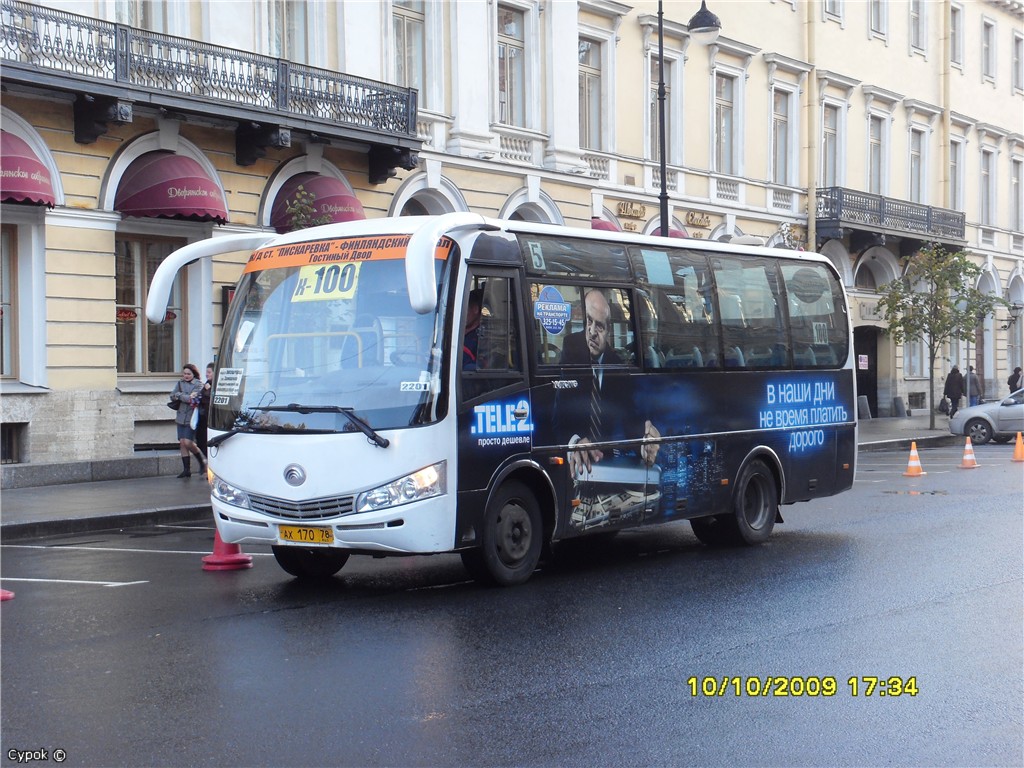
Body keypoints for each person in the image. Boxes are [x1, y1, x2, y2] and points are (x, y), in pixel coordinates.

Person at [559, 289, 659, 478]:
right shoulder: (571, 350)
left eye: (600, 326)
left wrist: (643, 443)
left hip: (607, 466)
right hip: (576, 468)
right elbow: (555, 414)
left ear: (609, 331)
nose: (592, 332)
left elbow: (630, 420)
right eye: (589, 321)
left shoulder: (620, 367)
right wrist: (575, 442)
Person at [170, 363, 206, 478]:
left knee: (188, 442)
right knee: (182, 443)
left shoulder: (199, 384)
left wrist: (180, 395)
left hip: (192, 417)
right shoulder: (180, 383)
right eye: (184, 373)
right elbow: (172, 395)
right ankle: (186, 470)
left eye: (188, 374)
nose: (186, 376)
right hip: (181, 416)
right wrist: (184, 396)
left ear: (194, 374)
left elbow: (193, 399)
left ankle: (202, 462)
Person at [195, 362, 214, 455]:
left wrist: (209, 390)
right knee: (200, 441)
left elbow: (214, 400)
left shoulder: (215, 385)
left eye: (209, 372)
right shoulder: (206, 384)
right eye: (206, 372)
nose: (207, 374)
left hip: (209, 418)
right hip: (202, 417)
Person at [462, 289, 483, 369]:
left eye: (463, 310)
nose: (459, 315)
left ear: (475, 309)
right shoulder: (453, 331)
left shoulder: (481, 338)